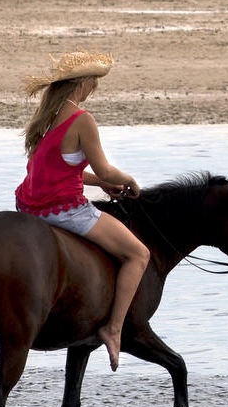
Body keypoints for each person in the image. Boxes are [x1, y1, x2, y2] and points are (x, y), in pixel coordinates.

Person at [15, 50, 149, 370]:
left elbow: (61, 167)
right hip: (63, 210)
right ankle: (114, 329)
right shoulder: (81, 119)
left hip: (29, 207)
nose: (94, 88)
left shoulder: (46, 118)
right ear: (83, 83)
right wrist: (127, 179)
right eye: (94, 82)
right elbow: (105, 168)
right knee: (138, 254)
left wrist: (99, 184)